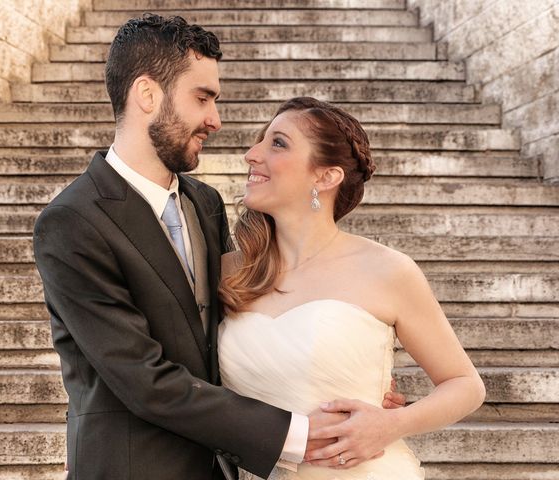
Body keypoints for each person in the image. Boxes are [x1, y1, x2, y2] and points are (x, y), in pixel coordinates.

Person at [33, 15, 405, 480]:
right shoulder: (73, 221)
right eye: (202, 98)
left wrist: (343, 378)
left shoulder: (204, 203)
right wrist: (302, 433)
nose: (216, 119)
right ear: (147, 95)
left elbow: (238, 324)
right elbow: (144, 380)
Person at [218, 97, 487, 480]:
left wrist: (391, 424)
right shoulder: (229, 273)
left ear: (325, 177)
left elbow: (465, 385)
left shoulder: (387, 270)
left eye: (277, 143)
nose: (251, 154)